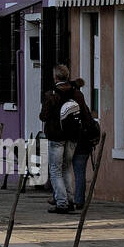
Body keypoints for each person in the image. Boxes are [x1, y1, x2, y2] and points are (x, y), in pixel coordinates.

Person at [39, 64, 90, 213]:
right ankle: (70, 200)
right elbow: (85, 114)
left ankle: (62, 202)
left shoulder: (51, 95)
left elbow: (43, 116)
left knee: (55, 170)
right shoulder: (77, 94)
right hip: (73, 137)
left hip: (56, 137)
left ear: (55, 77)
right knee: (67, 168)